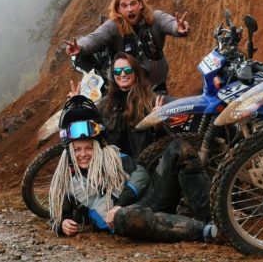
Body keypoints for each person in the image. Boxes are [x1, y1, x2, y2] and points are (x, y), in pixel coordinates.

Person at [49, 96, 218, 244]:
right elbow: (57, 215)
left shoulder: (113, 156)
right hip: (124, 221)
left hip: (149, 202)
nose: (83, 154)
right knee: (125, 216)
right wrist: (63, 224)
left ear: (97, 146)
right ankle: (206, 232)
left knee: (178, 148)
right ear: (70, 151)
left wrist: (120, 204)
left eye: (88, 148)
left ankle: (214, 219)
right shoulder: (65, 180)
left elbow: (141, 175)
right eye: (77, 149)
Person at [63, 0, 189, 92]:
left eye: (133, 3)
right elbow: (94, 38)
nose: (130, 9)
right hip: (124, 89)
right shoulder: (113, 26)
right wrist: (80, 47)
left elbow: (171, 23)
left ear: (140, 4)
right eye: (124, 5)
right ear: (118, 9)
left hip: (155, 84)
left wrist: (179, 28)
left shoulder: (156, 18)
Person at [69, 52, 166, 162]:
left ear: (136, 73)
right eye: (117, 71)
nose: (123, 74)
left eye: (128, 70)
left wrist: (158, 126)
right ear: (113, 76)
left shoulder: (150, 100)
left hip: (143, 167)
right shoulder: (106, 103)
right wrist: (77, 106)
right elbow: (90, 127)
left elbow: (164, 140)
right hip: (112, 166)